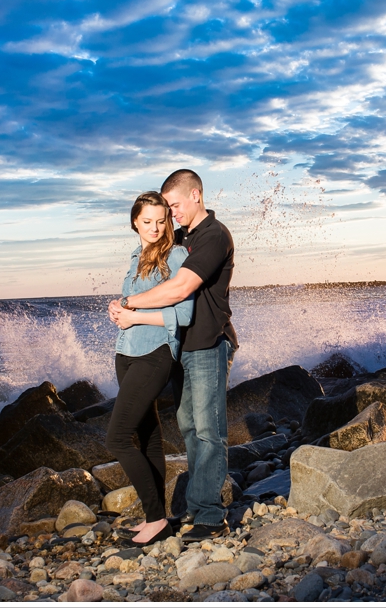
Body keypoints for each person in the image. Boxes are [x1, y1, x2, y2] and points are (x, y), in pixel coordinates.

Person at [120, 169, 238, 543]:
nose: (171, 215)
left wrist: (129, 305)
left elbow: (180, 288)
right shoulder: (182, 237)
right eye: (167, 208)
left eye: (174, 205)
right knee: (188, 426)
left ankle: (210, 516)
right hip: (181, 346)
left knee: (208, 431)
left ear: (196, 195)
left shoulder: (214, 237)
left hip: (207, 343)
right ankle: (195, 505)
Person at [106, 191, 194, 546]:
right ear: (134, 223)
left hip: (155, 354)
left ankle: (156, 517)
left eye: (162, 221)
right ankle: (156, 520)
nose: (156, 228)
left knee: (116, 438)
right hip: (126, 352)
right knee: (148, 436)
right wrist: (117, 310)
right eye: (147, 222)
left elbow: (183, 314)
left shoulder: (177, 255)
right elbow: (131, 305)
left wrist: (133, 314)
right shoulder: (136, 254)